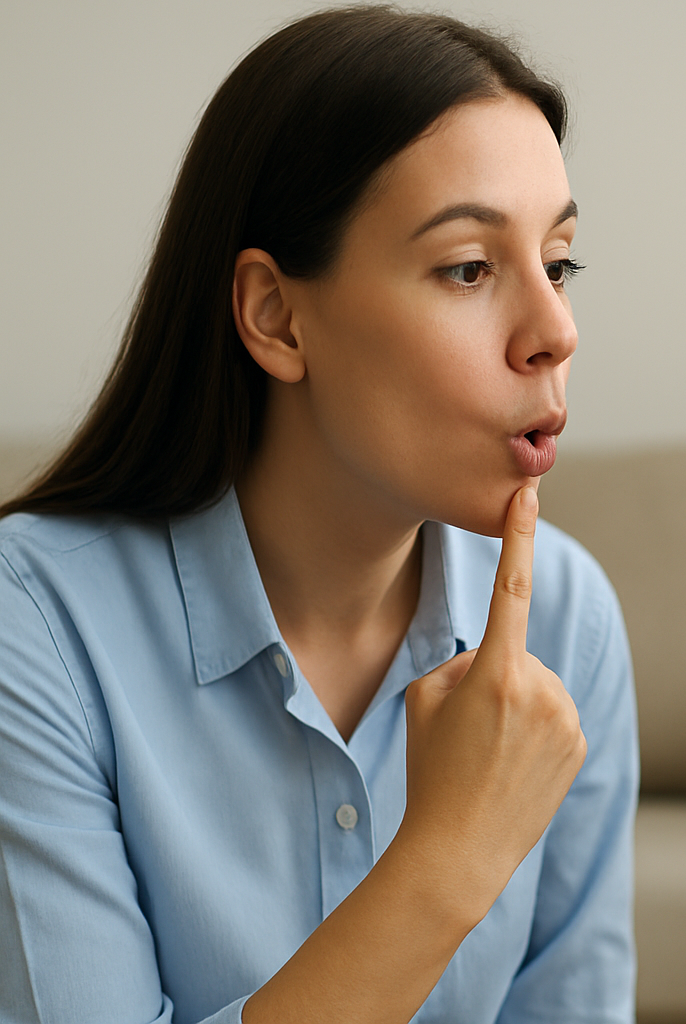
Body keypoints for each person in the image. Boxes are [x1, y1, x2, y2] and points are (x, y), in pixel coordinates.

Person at [0, 8, 637, 1024]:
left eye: (558, 264)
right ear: (275, 316)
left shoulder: (570, 618)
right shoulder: (32, 626)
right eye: (469, 267)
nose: (555, 331)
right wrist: (446, 860)